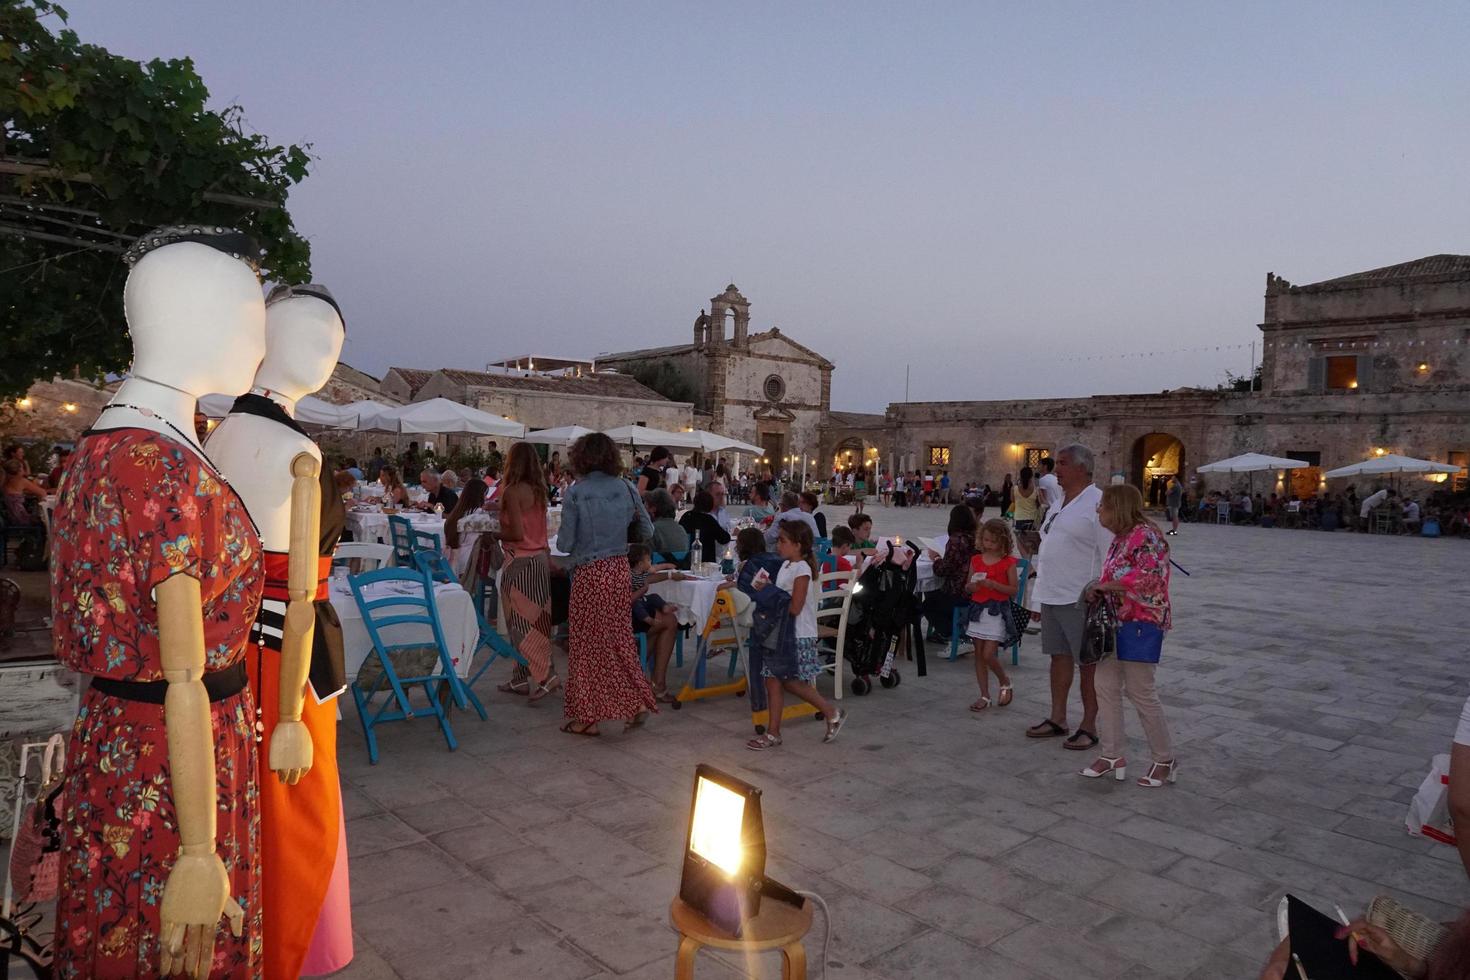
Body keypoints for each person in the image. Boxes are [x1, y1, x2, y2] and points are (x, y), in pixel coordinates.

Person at [556, 432, 658, 736]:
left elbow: (564, 542)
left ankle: (587, 717)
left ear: (582, 458)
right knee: (619, 640)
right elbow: (647, 529)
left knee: (587, 646)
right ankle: (636, 700)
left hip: (589, 573)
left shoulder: (576, 492)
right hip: (617, 569)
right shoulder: (627, 487)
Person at [1080, 485, 1176, 787]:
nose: (1099, 511)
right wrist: (1099, 586)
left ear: (1117, 507)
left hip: (1140, 622)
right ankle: (1112, 754)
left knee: (1140, 691)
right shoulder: (1121, 538)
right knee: (1105, 686)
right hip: (1113, 623)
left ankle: (1164, 758)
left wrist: (1106, 587)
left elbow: (1150, 577)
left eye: (1103, 506)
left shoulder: (1145, 535)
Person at [1026, 444, 1113, 750]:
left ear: (1081, 468)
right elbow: (1048, 549)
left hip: (1081, 598)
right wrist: (1038, 599)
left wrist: (1101, 590)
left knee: (1088, 664)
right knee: (1058, 658)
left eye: (1061, 463)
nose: (1055, 468)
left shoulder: (1099, 503)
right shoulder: (1059, 502)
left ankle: (1089, 725)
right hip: (1052, 594)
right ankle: (1058, 717)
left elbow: (1109, 553)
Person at [745, 520, 847, 750]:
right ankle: (773, 732)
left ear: (798, 545)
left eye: (783, 541)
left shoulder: (801, 569)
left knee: (790, 681)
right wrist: (768, 587)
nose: (778, 545)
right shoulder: (787, 565)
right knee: (772, 679)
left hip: (796, 633)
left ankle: (831, 711)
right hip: (782, 632)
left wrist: (769, 591)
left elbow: (795, 607)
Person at [495, 443, 558, 700]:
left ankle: (546, 676)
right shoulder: (538, 490)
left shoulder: (511, 491)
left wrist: (493, 533)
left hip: (519, 563)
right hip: (539, 560)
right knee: (538, 623)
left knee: (520, 624)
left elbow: (517, 534)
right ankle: (520, 677)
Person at [966, 518, 1018, 711]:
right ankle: (984, 694)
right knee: (979, 654)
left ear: (1002, 542)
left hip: (996, 610)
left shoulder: (1008, 563)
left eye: (993, 541)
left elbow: (1013, 590)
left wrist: (994, 585)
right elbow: (968, 585)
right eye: (986, 540)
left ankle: (1005, 681)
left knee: (989, 654)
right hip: (978, 609)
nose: (988, 544)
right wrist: (973, 586)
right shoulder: (976, 560)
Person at [627, 543, 683, 703]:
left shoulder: (618, 564)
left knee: (662, 622)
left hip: (612, 615)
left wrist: (669, 575)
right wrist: (642, 591)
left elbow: (647, 577)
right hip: (624, 617)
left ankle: (639, 677)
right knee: (669, 621)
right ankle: (656, 685)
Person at [921, 505, 977, 644]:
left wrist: (936, 558)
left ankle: (952, 634)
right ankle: (947, 630)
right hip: (973, 591)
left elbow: (942, 571)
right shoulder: (975, 539)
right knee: (932, 592)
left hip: (958, 592)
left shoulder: (956, 540)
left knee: (927, 604)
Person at [679, 489, 731, 563]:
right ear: (710, 504)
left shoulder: (686, 516)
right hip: (706, 560)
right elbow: (724, 538)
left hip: (687, 558)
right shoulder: (708, 520)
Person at [442, 477, 489, 553]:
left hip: (451, 559)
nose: (486, 498)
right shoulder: (480, 515)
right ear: (480, 496)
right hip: (469, 560)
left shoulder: (456, 513)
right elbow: (494, 534)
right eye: (485, 494)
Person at [647, 488, 690, 564]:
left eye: (646, 506)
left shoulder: (652, 529)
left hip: (658, 572)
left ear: (653, 509)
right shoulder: (680, 528)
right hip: (680, 570)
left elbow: (644, 562)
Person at [2, 458, 47, 528]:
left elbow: (14, 494)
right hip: (22, 519)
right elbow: (42, 492)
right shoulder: (22, 481)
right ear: (19, 471)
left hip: (10, 519)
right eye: (22, 468)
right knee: (44, 516)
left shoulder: (4, 482)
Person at [1012, 466, 1040, 531]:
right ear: (1031, 476)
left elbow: (1013, 501)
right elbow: (1038, 504)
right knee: (1031, 539)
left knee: (1020, 540)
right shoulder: (1036, 489)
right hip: (1032, 518)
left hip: (1019, 517)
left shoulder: (1014, 489)